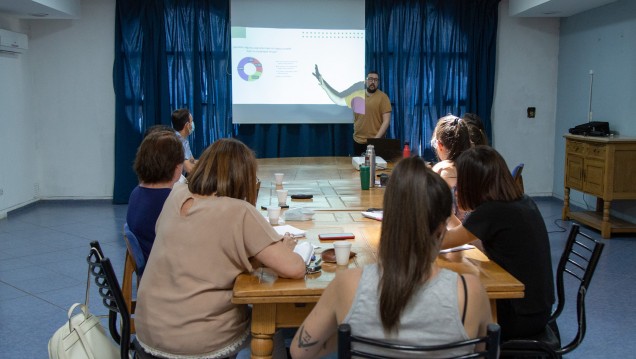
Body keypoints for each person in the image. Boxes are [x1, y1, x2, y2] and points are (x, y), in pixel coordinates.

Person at [290, 157, 492, 359]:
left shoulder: (347, 285)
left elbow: (299, 352)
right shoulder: (470, 292)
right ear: (441, 231)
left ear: (387, 221)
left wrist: (351, 335)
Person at [135, 138, 306, 358]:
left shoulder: (176, 195)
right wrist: (286, 248)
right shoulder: (239, 211)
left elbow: (204, 249)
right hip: (198, 339)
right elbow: (294, 269)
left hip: (148, 332)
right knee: (270, 319)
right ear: (243, 177)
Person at [441, 146, 555, 341]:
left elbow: (443, 242)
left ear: (474, 184)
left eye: (461, 183)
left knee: (447, 304)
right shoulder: (519, 201)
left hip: (519, 315)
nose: (458, 190)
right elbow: (469, 237)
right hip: (538, 308)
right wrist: (449, 215)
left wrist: (431, 209)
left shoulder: (493, 211)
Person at [126, 128, 184, 266]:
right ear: (176, 168)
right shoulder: (171, 202)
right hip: (169, 273)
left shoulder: (136, 193)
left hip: (152, 268)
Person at [312, 66, 391, 155]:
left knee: (375, 168)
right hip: (358, 141)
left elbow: (386, 121)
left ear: (378, 82)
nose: (373, 82)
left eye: (376, 80)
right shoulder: (357, 95)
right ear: (366, 81)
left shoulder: (383, 97)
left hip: (376, 142)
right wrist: (325, 87)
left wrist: (375, 140)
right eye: (370, 79)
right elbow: (338, 101)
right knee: (359, 168)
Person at [431, 114, 472, 224]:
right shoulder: (477, 167)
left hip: (464, 238)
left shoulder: (444, 172)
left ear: (440, 145)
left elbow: (447, 219)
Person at [171, 108, 198, 174]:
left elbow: (191, 160)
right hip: (174, 183)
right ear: (187, 126)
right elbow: (189, 168)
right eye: (192, 122)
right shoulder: (176, 142)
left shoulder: (184, 141)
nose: (193, 124)